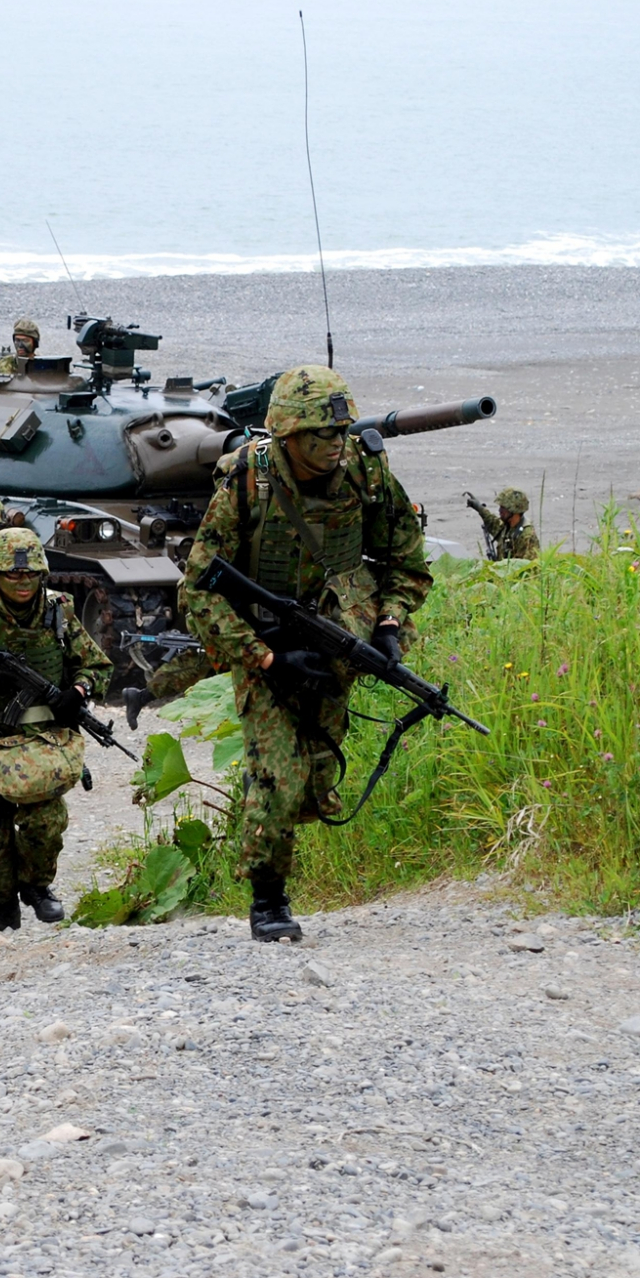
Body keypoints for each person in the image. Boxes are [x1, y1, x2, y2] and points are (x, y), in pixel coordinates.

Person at [180, 366, 431, 942]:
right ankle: (268, 901)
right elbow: (196, 589)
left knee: (316, 780)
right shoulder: (247, 482)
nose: (335, 445)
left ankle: (281, 843)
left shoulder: (366, 474)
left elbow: (406, 560)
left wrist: (389, 625)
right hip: (265, 647)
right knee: (277, 775)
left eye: (340, 433)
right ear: (288, 435)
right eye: (321, 435)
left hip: (337, 641)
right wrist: (266, 659)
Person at [0, 528, 112, 932]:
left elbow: (98, 666)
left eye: (30, 574)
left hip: (44, 738)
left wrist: (78, 690)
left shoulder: (59, 611)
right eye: (12, 575)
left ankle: (37, 886)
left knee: (45, 821)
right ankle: (2, 906)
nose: (22, 582)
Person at [466, 487, 541, 560]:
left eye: (503, 508)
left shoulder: (526, 536)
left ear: (513, 510)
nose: (499, 510)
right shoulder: (508, 527)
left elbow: (529, 567)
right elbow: (493, 523)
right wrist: (479, 508)